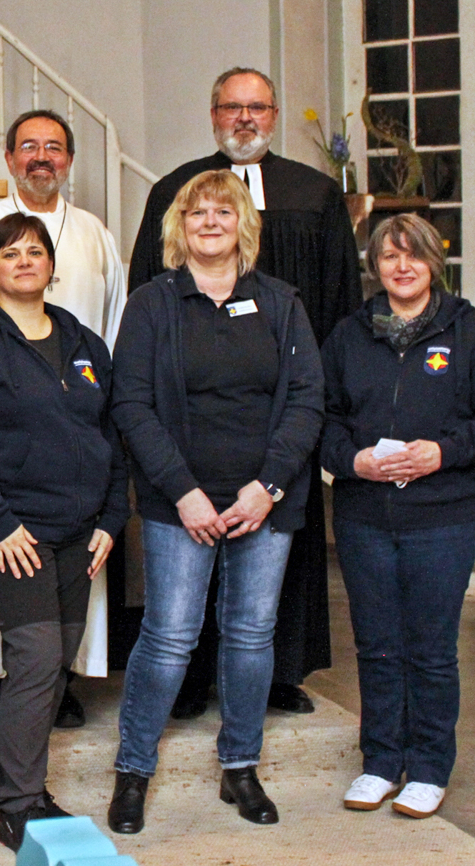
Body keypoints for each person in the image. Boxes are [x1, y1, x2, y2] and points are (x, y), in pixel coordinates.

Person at [129, 67, 362, 717]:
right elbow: (146, 288)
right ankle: (192, 678)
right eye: (231, 107)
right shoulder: (175, 192)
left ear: (276, 115)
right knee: (188, 550)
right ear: (212, 116)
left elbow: (341, 305)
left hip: (284, 413)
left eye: (257, 107)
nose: (244, 118)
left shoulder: (314, 194)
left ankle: (282, 672)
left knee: (279, 542)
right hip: (193, 414)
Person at [107, 170, 323, 834]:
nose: (209, 221)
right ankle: (134, 770)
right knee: (170, 638)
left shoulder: (282, 303)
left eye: (221, 212)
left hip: (265, 502)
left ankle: (240, 765)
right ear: (179, 226)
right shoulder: (151, 304)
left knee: (252, 636)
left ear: (242, 226)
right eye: (196, 212)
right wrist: (184, 493)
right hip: (182, 506)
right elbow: (132, 406)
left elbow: (306, 401)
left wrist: (270, 488)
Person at [0, 108, 126, 730]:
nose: (42, 157)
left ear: (69, 160)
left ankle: (58, 681)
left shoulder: (94, 235)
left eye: (55, 148)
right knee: (1, 563)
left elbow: (113, 329)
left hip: (74, 450)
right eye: (29, 147)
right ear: (9, 159)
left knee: (63, 596)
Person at [0, 213, 128, 851]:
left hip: (80, 535)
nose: (24, 261)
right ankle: (16, 805)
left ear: (52, 265)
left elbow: (112, 435)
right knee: (37, 659)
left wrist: (109, 519)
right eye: (10, 253)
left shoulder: (82, 342)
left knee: (55, 664)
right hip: (13, 535)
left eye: (35, 251)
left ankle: (32, 789)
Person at [321, 214, 475, 819]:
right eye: (389, 257)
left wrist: (445, 452)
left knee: (432, 648)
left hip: (443, 516)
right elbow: (324, 420)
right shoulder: (349, 336)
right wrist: (352, 459)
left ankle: (430, 767)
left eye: (413, 256)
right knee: (377, 646)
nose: (402, 267)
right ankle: (382, 761)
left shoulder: (464, 329)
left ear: (434, 262)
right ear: (375, 266)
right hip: (364, 516)